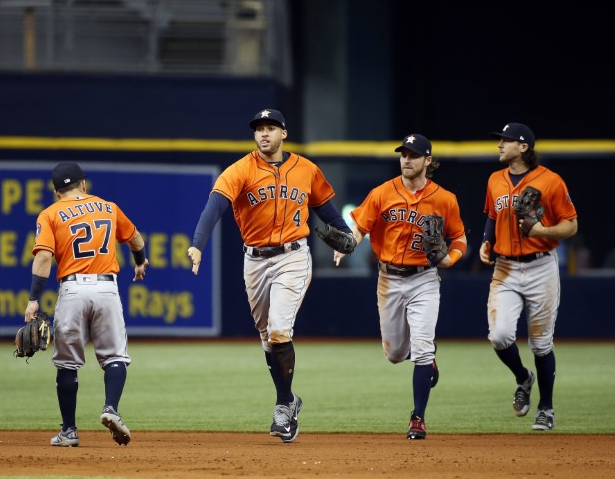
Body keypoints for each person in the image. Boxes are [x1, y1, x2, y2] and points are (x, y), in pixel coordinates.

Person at [187, 109, 353, 443]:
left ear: (283, 133)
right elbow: (215, 207)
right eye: (259, 129)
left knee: (279, 327)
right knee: (267, 337)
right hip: (255, 261)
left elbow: (325, 208)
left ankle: (281, 407)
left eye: (270, 128)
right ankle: (290, 399)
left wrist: (344, 235)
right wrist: (198, 244)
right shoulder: (240, 170)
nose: (264, 134)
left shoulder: (305, 169)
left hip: (293, 256)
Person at [339, 134, 467, 440]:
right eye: (403, 154)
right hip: (389, 279)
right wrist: (348, 245)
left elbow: (460, 238)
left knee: (421, 348)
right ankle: (426, 359)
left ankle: (418, 418)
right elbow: (359, 227)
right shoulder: (383, 193)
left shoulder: (445, 199)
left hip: (424, 278)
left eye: (413, 155)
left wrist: (450, 259)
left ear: (427, 161)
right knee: (396, 354)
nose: (406, 160)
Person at [25, 161, 149, 448]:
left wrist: (33, 298)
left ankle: (69, 431)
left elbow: (43, 258)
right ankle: (111, 409)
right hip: (106, 288)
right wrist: (140, 262)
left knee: (67, 362)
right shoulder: (108, 207)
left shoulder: (51, 213)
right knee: (115, 356)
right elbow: (136, 239)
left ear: (56, 192)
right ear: (83, 184)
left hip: (73, 289)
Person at [480, 123, 578, 431]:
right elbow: (492, 216)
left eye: (506, 141)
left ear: (524, 147)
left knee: (540, 343)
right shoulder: (495, 180)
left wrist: (542, 231)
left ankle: (546, 408)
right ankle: (523, 377)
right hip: (505, 268)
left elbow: (570, 225)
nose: (500, 145)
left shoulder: (551, 181)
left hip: (541, 268)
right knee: (499, 335)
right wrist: (486, 240)